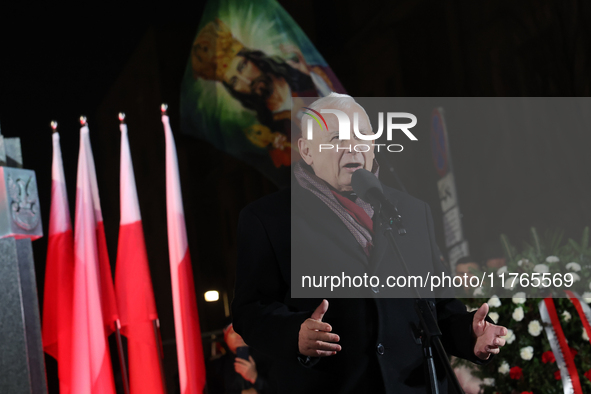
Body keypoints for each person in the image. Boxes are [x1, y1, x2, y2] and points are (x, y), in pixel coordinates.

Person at [232, 93, 507, 393]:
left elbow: (438, 305)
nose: (354, 148)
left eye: (363, 136)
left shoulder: (413, 211)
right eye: (337, 138)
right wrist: (294, 334)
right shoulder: (267, 218)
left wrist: (470, 334)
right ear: (307, 151)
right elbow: (249, 310)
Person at [206, 322, 274, 394]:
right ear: (226, 337)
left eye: (241, 332)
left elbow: (277, 388)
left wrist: (255, 377)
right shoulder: (217, 366)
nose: (239, 336)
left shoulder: (268, 359)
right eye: (232, 332)